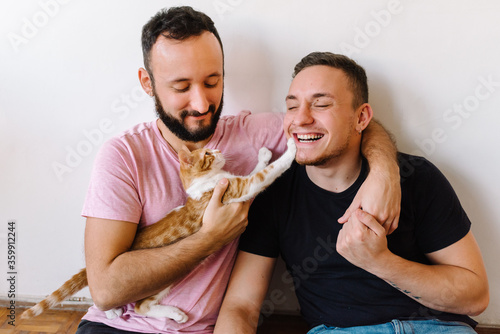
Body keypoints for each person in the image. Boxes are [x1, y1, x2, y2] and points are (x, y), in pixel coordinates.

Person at [76, 7, 400, 334]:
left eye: (212, 81)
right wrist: (209, 239)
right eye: (181, 87)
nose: (202, 104)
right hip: (116, 327)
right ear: (148, 83)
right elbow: (105, 291)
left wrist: (386, 172)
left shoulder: (250, 134)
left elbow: (338, 126)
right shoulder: (123, 155)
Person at [214, 52, 490, 334]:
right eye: (292, 106)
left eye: (321, 104)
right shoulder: (276, 195)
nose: (301, 119)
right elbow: (241, 305)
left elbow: (476, 296)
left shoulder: (417, 177)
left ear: (361, 117)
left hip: (436, 328)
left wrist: (380, 262)